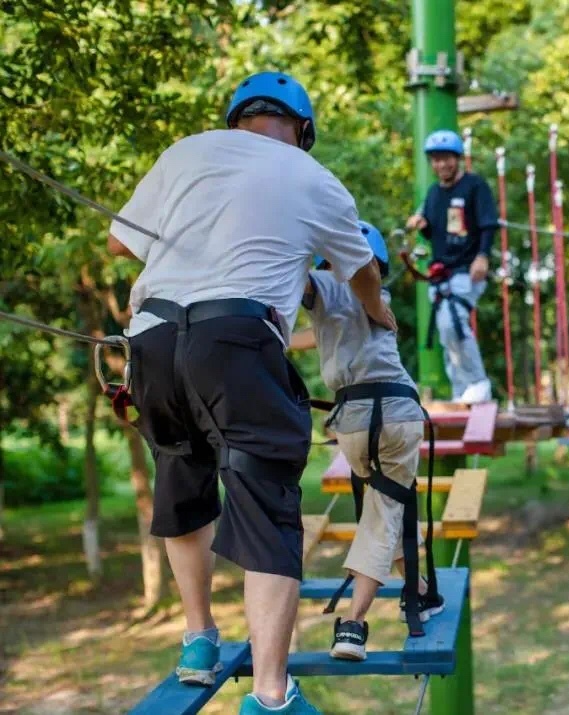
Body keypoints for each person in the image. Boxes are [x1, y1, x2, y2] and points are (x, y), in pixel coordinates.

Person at [106, 71, 395, 715]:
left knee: (182, 479)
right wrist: (380, 313)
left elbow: (119, 240)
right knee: (265, 503)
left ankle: (198, 639)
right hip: (236, 338)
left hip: (151, 338)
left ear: (234, 118)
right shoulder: (313, 179)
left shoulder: (186, 151)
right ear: (302, 130)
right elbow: (363, 271)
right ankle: (270, 696)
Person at [289, 221, 443, 661]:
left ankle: (418, 591)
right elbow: (311, 334)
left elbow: (291, 269)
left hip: (353, 424)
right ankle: (354, 625)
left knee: (383, 509)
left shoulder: (322, 287)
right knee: (384, 512)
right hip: (397, 414)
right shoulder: (379, 299)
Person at [405, 129, 498, 404]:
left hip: (467, 269)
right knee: (448, 335)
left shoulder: (474, 186)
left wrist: (482, 256)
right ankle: (462, 391)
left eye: (446, 159)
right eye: (435, 160)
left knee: (452, 323)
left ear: (458, 158)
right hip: (441, 273)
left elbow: (488, 223)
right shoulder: (433, 194)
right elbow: (436, 235)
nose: (441, 165)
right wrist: (423, 228)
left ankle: (478, 383)